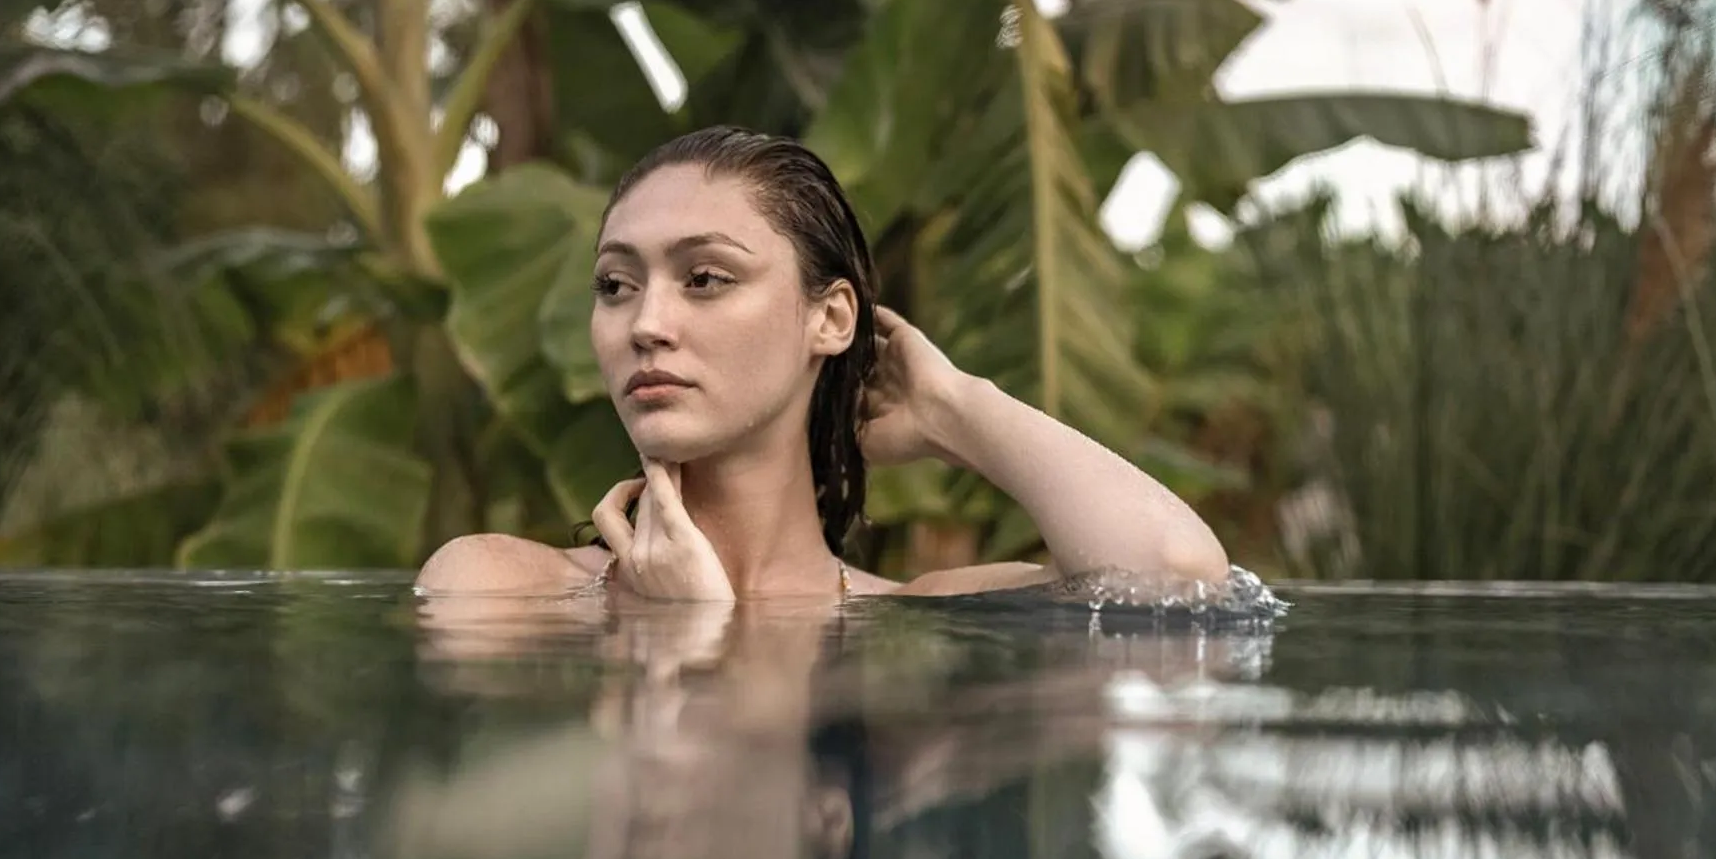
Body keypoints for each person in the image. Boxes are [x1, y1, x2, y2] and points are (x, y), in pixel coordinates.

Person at [415, 126, 1229, 602]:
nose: (646, 323)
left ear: (831, 317)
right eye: (616, 284)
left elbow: (1181, 581)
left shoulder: (915, 618)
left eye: (705, 278)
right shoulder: (502, 588)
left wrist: (953, 406)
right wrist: (682, 633)